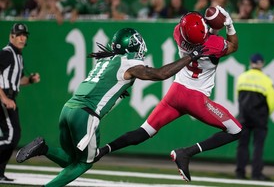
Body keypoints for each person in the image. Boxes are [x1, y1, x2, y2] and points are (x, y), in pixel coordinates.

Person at [15, 27, 207, 186]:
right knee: (84, 163)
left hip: (68, 109)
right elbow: (160, 74)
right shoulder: (128, 63)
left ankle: (43, 149)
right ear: (132, 45)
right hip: (85, 114)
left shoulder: (108, 60)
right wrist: (190, 57)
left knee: (71, 159)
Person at [93, 6, 242, 182]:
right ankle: (186, 153)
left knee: (145, 130)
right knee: (236, 130)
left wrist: (211, 27)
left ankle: (103, 151)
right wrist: (228, 23)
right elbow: (233, 45)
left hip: (176, 92)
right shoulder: (213, 44)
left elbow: (197, 34)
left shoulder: (178, 33)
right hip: (195, 98)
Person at [0, 23, 40, 181]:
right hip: (4, 98)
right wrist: (4, 98)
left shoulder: (18, 56)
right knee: (11, 137)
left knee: (14, 136)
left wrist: (30, 80)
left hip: (10, 98)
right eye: (19, 35)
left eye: (24, 35)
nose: (22, 38)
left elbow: (17, 80)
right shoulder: (7, 53)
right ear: (11, 37)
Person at [235, 53, 274, 181]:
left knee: (242, 145)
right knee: (258, 145)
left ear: (250, 62)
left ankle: (240, 172)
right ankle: (256, 173)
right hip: (260, 117)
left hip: (244, 116)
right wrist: (266, 114)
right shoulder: (266, 79)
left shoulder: (242, 77)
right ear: (262, 63)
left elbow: (238, 96)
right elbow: (272, 101)